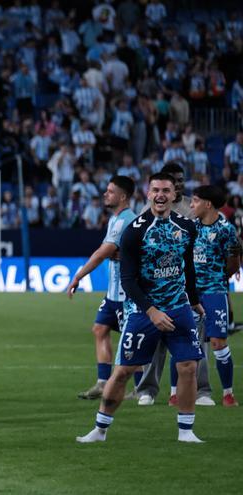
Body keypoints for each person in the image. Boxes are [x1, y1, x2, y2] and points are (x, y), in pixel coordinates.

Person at [77, 173, 206, 444]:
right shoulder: (134, 230)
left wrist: (194, 300)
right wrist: (151, 311)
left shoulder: (187, 227)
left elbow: (189, 268)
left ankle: (186, 431)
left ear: (173, 195)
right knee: (124, 371)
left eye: (166, 190)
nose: (160, 195)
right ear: (148, 194)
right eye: (156, 190)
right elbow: (128, 280)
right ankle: (99, 430)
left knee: (187, 367)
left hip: (179, 307)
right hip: (141, 311)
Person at [135, 162, 213, 405]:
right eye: (173, 180)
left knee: (195, 339)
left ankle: (202, 390)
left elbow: (200, 243)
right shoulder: (146, 208)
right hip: (156, 284)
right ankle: (147, 389)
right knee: (155, 337)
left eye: (180, 179)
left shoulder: (193, 205)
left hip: (188, 283)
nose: (178, 184)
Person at [66, 176, 137, 399]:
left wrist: (78, 276)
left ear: (123, 196)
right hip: (113, 293)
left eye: (110, 191)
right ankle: (102, 383)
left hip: (127, 294)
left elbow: (102, 253)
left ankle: (140, 388)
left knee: (131, 341)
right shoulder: (115, 219)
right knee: (100, 329)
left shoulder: (126, 220)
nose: (105, 194)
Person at [169, 186, 240, 407]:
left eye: (196, 201)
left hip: (215, 292)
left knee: (218, 342)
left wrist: (215, 278)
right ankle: (174, 393)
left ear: (207, 204)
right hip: (189, 293)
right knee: (182, 339)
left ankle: (228, 394)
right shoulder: (190, 228)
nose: (191, 205)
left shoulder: (226, 230)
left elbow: (233, 263)